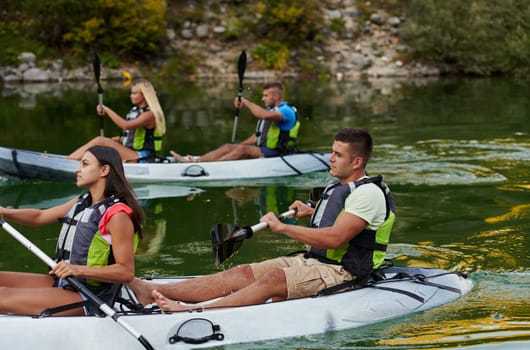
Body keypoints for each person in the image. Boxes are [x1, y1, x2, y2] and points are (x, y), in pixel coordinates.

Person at [129, 128, 396, 312]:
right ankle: (149, 290)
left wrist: (285, 228)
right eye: (332, 151)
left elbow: (337, 237)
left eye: (337, 154)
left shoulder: (369, 193)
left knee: (273, 280)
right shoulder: (340, 187)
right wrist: (310, 212)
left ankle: (193, 310)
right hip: (314, 261)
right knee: (242, 272)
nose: (330, 158)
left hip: (343, 272)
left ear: (357, 161)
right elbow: (338, 219)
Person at [0, 146, 144, 315]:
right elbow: (39, 216)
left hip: (91, 296)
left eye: (84, 164)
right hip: (66, 283)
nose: (78, 169)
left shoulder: (118, 215)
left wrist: (77, 269)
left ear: (104, 170)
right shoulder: (83, 201)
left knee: (2, 295)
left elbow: (126, 272)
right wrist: (4, 211)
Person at [171, 82, 300, 162]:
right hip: (265, 149)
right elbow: (258, 136)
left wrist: (245, 102)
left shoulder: (286, 111)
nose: (263, 98)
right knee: (229, 147)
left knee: (242, 149)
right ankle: (196, 160)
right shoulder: (272, 109)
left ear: (276, 96)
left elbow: (263, 115)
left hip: (278, 152)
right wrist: (237, 146)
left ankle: (209, 167)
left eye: (266, 95)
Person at [68, 79, 166, 163]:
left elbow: (125, 126)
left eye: (134, 93)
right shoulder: (136, 111)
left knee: (100, 140)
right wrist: (110, 141)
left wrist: (107, 110)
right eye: (131, 93)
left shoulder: (149, 114)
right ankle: (72, 159)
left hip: (141, 155)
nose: (131, 96)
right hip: (131, 152)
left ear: (144, 95)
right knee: (102, 141)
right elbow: (129, 136)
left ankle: (69, 161)